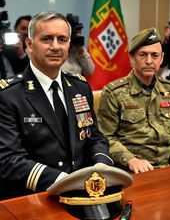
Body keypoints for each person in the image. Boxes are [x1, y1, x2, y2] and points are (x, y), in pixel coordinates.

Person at [0, 11, 113, 200]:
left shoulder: (80, 86)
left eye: (62, 39)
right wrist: (63, 180)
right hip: (36, 196)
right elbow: (9, 160)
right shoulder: (9, 95)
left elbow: (93, 137)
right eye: (46, 39)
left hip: (84, 192)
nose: (55, 46)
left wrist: (101, 165)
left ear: (69, 44)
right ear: (29, 44)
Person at [97, 27, 170, 174]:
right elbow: (105, 137)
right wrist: (130, 160)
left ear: (162, 58)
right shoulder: (114, 92)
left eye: (154, 55)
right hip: (134, 170)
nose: (149, 61)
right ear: (132, 58)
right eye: (143, 55)